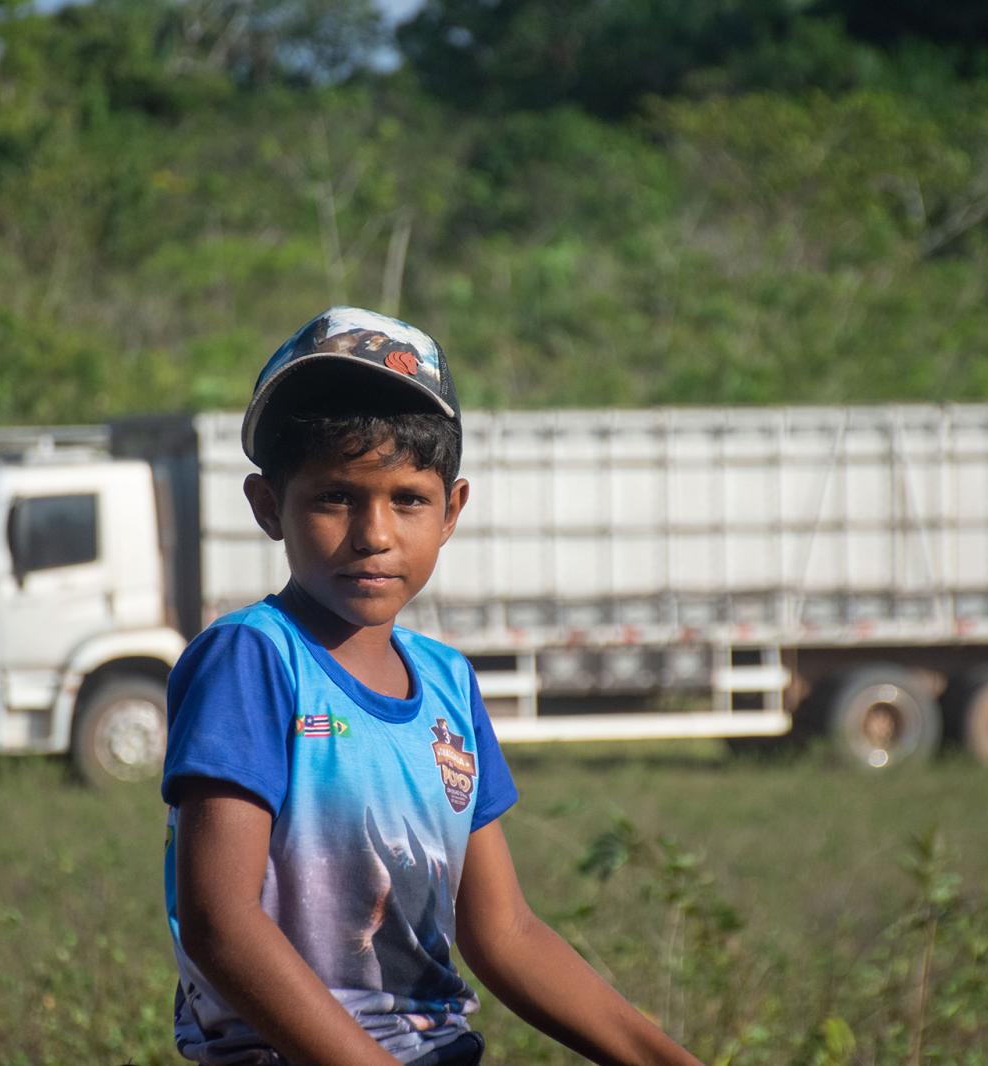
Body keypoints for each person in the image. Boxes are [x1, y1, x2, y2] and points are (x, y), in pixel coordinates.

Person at [160, 307, 705, 1066]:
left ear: (451, 511)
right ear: (267, 508)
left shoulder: (448, 683)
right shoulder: (254, 660)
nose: (374, 534)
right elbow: (220, 921)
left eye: (407, 499)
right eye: (334, 497)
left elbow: (504, 932)